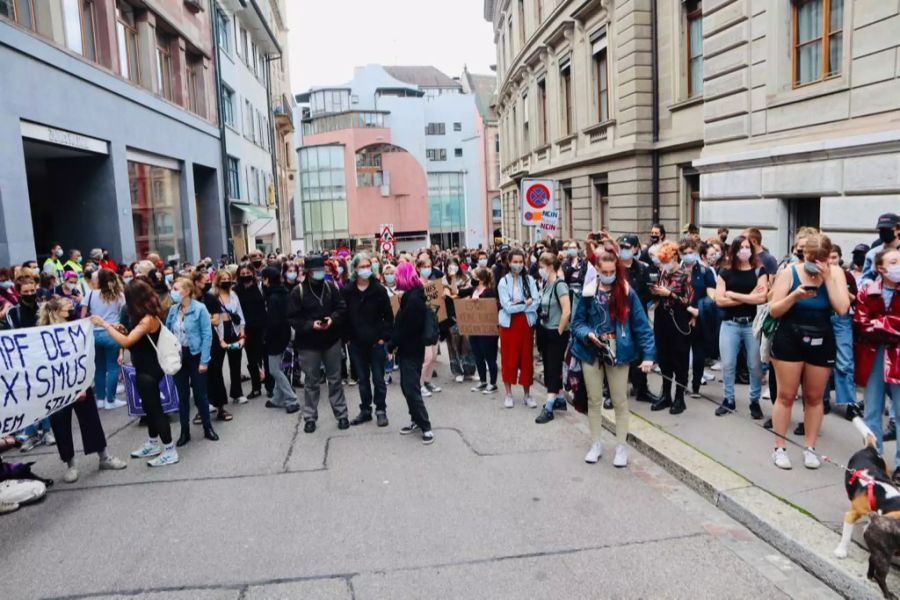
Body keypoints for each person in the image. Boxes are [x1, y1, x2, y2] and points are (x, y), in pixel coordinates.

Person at [769, 233, 850, 469]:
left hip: (821, 337)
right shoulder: (789, 272)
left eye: (820, 258)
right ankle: (780, 448)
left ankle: (810, 448)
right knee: (786, 395)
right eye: (809, 257)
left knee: (814, 398)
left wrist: (828, 278)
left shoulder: (835, 273)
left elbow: (842, 308)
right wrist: (795, 296)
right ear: (804, 255)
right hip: (789, 338)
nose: (814, 262)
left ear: (827, 258)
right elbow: (774, 310)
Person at [572, 249, 655, 467]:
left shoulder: (626, 292)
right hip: (592, 350)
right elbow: (577, 323)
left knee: (619, 400)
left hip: (619, 350)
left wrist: (648, 356)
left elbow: (642, 325)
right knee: (594, 399)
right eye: (604, 271)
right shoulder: (588, 292)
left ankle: (621, 447)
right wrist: (587, 334)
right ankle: (596, 443)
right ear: (597, 270)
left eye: (612, 271)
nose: (608, 274)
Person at [91, 279, 179, 466]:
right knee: (148, 409)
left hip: (150, 371)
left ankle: (170, 450)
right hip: (143, 368)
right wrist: (122, 329)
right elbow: (134, 338)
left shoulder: (148, 319)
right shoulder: (142, 316)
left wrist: (105, 325)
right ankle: (154, 444)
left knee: (156, 411)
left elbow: (126, 342)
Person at [39, 296, 127, 482]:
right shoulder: (43, 335)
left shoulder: (77, 327)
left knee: (91, 419)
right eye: (67, 308)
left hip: (80, 383)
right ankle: (70, 464)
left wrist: (103, 324)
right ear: (55, 313)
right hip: (57, 388)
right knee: (61, 425)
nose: (72, 310)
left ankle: (104, 457)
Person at [287, 255, 349, 434]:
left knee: (335, 379)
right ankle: (310, 417)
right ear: (308, 272)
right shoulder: (297, 291)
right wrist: (310, 325)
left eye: (322, 269)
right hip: (308, 344)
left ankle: (342, 414)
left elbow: (342, 307)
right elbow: (292, 317)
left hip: (331, 340)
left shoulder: (331, 287)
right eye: (317, 271)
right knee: (312, 382)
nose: (321, 273)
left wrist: (332, 319)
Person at [856, 248, 900, 480]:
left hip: (898, 357)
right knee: (872, 410)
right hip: (872, 355)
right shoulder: (867, 291)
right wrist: (890, 326)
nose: (898, 266)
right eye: (894, 262)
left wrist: (880, 324)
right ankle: (874, 460)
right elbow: (861, 323)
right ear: (881, 268)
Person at [714, 235, 768, 417]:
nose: (744, 250)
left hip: (751, 325)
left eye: (747, 247)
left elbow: (761, 297)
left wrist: (734, 295)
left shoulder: (759, 271)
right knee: (728, 364)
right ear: (734, 250)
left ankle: (754, 401)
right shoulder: (725, 272)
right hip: (730, 324)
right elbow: (719, 300)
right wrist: (747, 297)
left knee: (754, 365)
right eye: (741, 247)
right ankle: (728, 399)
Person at [166, 278, 219, 447]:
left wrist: (204, 360)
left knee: (200, 394)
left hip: (196, 355)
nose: (172, 291)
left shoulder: (200, 309)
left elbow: (207, 335)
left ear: (187, 291)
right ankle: (184, 431)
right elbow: (167, 332)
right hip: (179, 356)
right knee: (182, 396)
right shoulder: (173, 310)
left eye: (176, 288)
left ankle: (207, 427)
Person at [386, 262, 435, 445]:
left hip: (412, 349)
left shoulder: (413, 300)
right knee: (407, 388)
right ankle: (416, 419)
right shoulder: (411, 296)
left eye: (398, 275)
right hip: (408, 349)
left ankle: (426, 426)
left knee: (411, 388)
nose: (395, 278)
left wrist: (391, 344)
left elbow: (405, 327)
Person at [343, 253, 393, 427]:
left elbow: (388, 316)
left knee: (379, 379)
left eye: (367, 266)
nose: (365, 270)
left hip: (376, 343)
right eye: (361, 267)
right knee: (363, 380)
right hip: (356, 343)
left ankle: (381, 409)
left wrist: (383, 338)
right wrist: (347, 338)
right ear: (355, 269)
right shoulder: (348, 290)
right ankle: (365, 410)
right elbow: (344, 316)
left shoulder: (378, 290)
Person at [649, 241, 695, 414]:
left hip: (678, 318)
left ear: (675, 257)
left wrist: (670, 294)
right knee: (664, 358)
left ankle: (679, 398)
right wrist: (655, 291)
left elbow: (688, 301)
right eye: (661, 260)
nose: (664, 264)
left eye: (666, 260)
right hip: (662, 316)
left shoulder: (685, 274)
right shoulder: (662, 272)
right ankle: (666, 395)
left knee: (680, 359)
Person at [498, 249, 539, 408]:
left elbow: (535, 302)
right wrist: (525, 304)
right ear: (509, 263)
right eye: (515, 262)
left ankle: (527, 394)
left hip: (525, 324)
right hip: (509, 325)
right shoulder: (504, 282)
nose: (518, 265)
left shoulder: (529, 280)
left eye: (521, 262)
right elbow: (507, 307)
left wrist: (520, 305)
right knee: (509, 358)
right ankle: (508, 394)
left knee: (526, 358)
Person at [82, 269, 127, 410]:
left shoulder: (90, 294)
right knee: (113, 367)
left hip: (94, 335)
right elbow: (123, 315)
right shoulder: (119, 295)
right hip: (111, 332)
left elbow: (83, 315)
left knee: (99, 368)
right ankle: (110, 399)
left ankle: (100, 399)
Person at [534, 252, 571, 424]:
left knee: (552, 368)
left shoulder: (560, 285)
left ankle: (548, 406)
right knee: (550, 367)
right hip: (546, 330)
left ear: (550, 267)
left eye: (541, 267)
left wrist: (559, 331)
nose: (539, 270)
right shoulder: (546, 285)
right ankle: (560, 399)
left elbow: (567, 311)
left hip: (557, 332)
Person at [825, 245, 859, 417]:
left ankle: (849, 403)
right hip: (823, 318)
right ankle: (823, 399)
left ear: (840, 258)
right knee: (821, 360)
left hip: (841, 319)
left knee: (845, 361)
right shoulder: (820, 275)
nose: (831, 261)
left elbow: (856, 299)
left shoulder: (846, 275)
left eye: (834, 257)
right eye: (828, 257)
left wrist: (844, 291)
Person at [680, 239, 716, 398]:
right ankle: (681, 384)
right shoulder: (676, 271)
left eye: (691, 253)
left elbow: (711, 296)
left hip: (699, 318)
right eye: (685, 253)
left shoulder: (704, 271)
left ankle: (695, 386)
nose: (688, 256)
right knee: (680, 353)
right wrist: (687, 309)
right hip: (680, 317)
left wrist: (699, 310)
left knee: (698, 353)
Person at [261, 267, 300, 414]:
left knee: (274, 370)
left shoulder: (272, 297)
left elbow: (273, 322)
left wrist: (266, 337)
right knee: (278, 367)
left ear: (267, 280)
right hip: (285, 335)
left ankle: (291, 399)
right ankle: (278, 398)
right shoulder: (283, 293)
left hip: (275, 338)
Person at [459, 267, 499, 394]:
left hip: (487, 330)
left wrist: (479, 301)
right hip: (475, 328)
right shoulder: (473, 290)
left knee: (490, 356)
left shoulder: (489, 292)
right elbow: (459, 293)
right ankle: (483, 381)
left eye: (474, 277)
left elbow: (492, 306)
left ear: (480, 279)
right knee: (478, 356)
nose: (472, 279)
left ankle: (493, 383)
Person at [212, 269, 247, 407]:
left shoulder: (233, 295)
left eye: (228, 278)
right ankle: (217, 399)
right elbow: (211, 319)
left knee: (235, 364)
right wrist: (220, 340)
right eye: (223, 279)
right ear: (218, 280)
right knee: (216, 367)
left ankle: (237, 393)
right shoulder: (212, 296)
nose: (226, 281)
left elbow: (240, 315)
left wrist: (242, 335)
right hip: (219, 331)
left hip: (234, 330)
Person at [235, 264, 269, 399]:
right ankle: (256, 387)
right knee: (252, 359)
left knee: (265, 356)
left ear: (253, 273)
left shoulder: (260, 287)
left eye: (247, 273)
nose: (245, 275)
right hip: (246, 328)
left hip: (262, 327)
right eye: (242, 274)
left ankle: (269, 385)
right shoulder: (235, 290)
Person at [442, 257, 475, 383]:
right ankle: (457, 371)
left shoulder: (466, 278)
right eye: (449, 266)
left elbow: (462, 292)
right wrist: (453, 280)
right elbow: (449, 294)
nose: (452, 268)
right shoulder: (444, 280)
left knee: (467, 342)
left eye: (454, 265)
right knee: (454, 343)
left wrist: (456, 294)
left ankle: (469, 370)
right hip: (451, 316)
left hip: (465, 314)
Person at [416, 255, 442, 397]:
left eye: (429, 267)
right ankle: (419, 384)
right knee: (426, 357)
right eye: (424, 267)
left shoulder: (432, 284)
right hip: (422, 325)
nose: (427, 269)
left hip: (433, 323)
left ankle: (427, 381)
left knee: (433, 356)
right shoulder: (416, 285)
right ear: (418, 268)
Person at [863, 213, 900, 282]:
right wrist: (870, 285)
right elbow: (866, 278)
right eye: (881, 229)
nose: (884, 232)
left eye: (888, 229)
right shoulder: (872, 254)